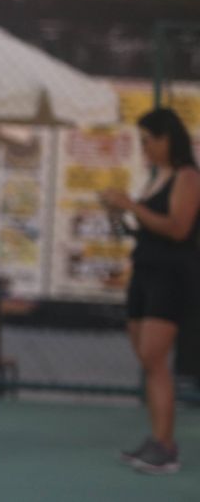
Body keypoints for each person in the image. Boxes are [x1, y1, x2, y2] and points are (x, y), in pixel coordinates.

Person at [101, 107, 200, 475]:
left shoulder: (188, 177)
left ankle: (167, 446)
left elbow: (177, 228)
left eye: (147, 141)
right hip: (145, 274)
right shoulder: (157, 177)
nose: (144, 148)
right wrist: (120, 214)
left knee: (155, 359)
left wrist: (132, 205)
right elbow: (148, 227)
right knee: (148, 361)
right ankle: (159, 439)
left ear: (166, 139)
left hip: (171, 279)